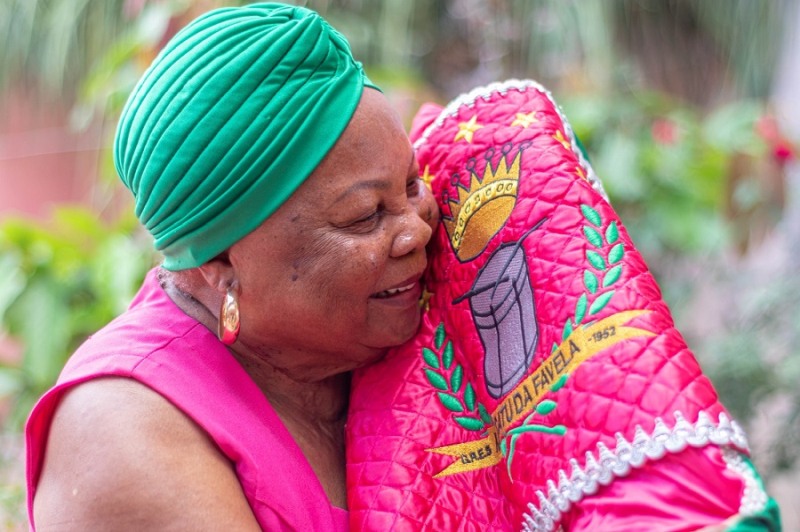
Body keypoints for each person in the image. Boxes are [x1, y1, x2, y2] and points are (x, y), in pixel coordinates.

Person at [25, 3, 438, 530]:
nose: (417, 230)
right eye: (364, 216)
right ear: (220, 262)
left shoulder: (399, 324)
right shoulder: (125, 429)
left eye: (411, 185)